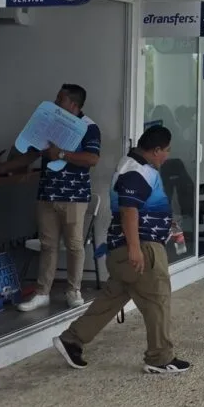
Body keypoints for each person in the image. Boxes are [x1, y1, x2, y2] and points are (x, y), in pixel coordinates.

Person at [53, 124, 190, 374]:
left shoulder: (138, 167)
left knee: (111, 299)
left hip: (128, 248)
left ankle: (72, 340)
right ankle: (159, 358)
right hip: (140, 248)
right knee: (157, 299)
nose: (167, 156)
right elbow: (129, 210)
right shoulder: (135, 170)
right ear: (156, 149)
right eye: (166, 151)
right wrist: (135, 249)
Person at [0, 84, 101, 311]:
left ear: (73, 104)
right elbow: (32, 155)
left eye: (60, 98)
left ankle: (74, 290)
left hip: (74, 196)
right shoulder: (50, 123)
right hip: (47, 193)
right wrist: (2, 167)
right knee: (48, 244)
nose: (55, 101)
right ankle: (42, 292)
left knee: (74, 244)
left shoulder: (89, 128)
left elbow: (92, 159)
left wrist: (62, 154)